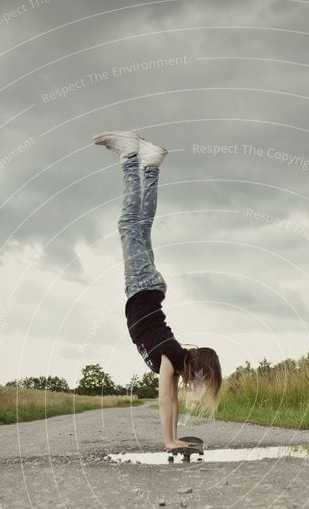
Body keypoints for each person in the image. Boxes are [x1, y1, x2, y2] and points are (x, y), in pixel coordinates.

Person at [92, 129, 222, 450]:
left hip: (148, 286)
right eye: (201, 381)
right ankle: (129, 156)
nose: (196, 387)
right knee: (129, 223)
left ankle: (151, 163)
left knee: (140, 225)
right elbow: (165, 400)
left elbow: (172, 402)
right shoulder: (170, 355)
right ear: (198, 371)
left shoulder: (175, 361)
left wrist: (175, 437)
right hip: (142, 286)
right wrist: (169, 441)